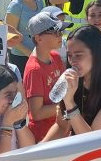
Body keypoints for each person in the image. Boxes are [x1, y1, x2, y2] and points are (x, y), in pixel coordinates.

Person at [46, 26, 101, 137]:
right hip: (78, 151)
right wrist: (38, 149)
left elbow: (92, 141)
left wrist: (70, 103)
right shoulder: (75, 82)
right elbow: (61, 126)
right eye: (69, 55)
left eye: (79, 55)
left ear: (96, 54)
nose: (73, 61)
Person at [23, 12, 70, 141]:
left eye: (60, 31)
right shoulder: (34, 69)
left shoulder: (55, 57)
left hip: (61, 130)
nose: (60, 35)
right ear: (38, 38)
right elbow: (37, 113)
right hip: (44, 138)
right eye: (55, 32)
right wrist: (68, 104)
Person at [4, 0, 44, 73]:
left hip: (39, 56)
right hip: (20, 59)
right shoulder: (15, 5)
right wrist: (31, 54)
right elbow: (10, 36)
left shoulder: (40, 2)